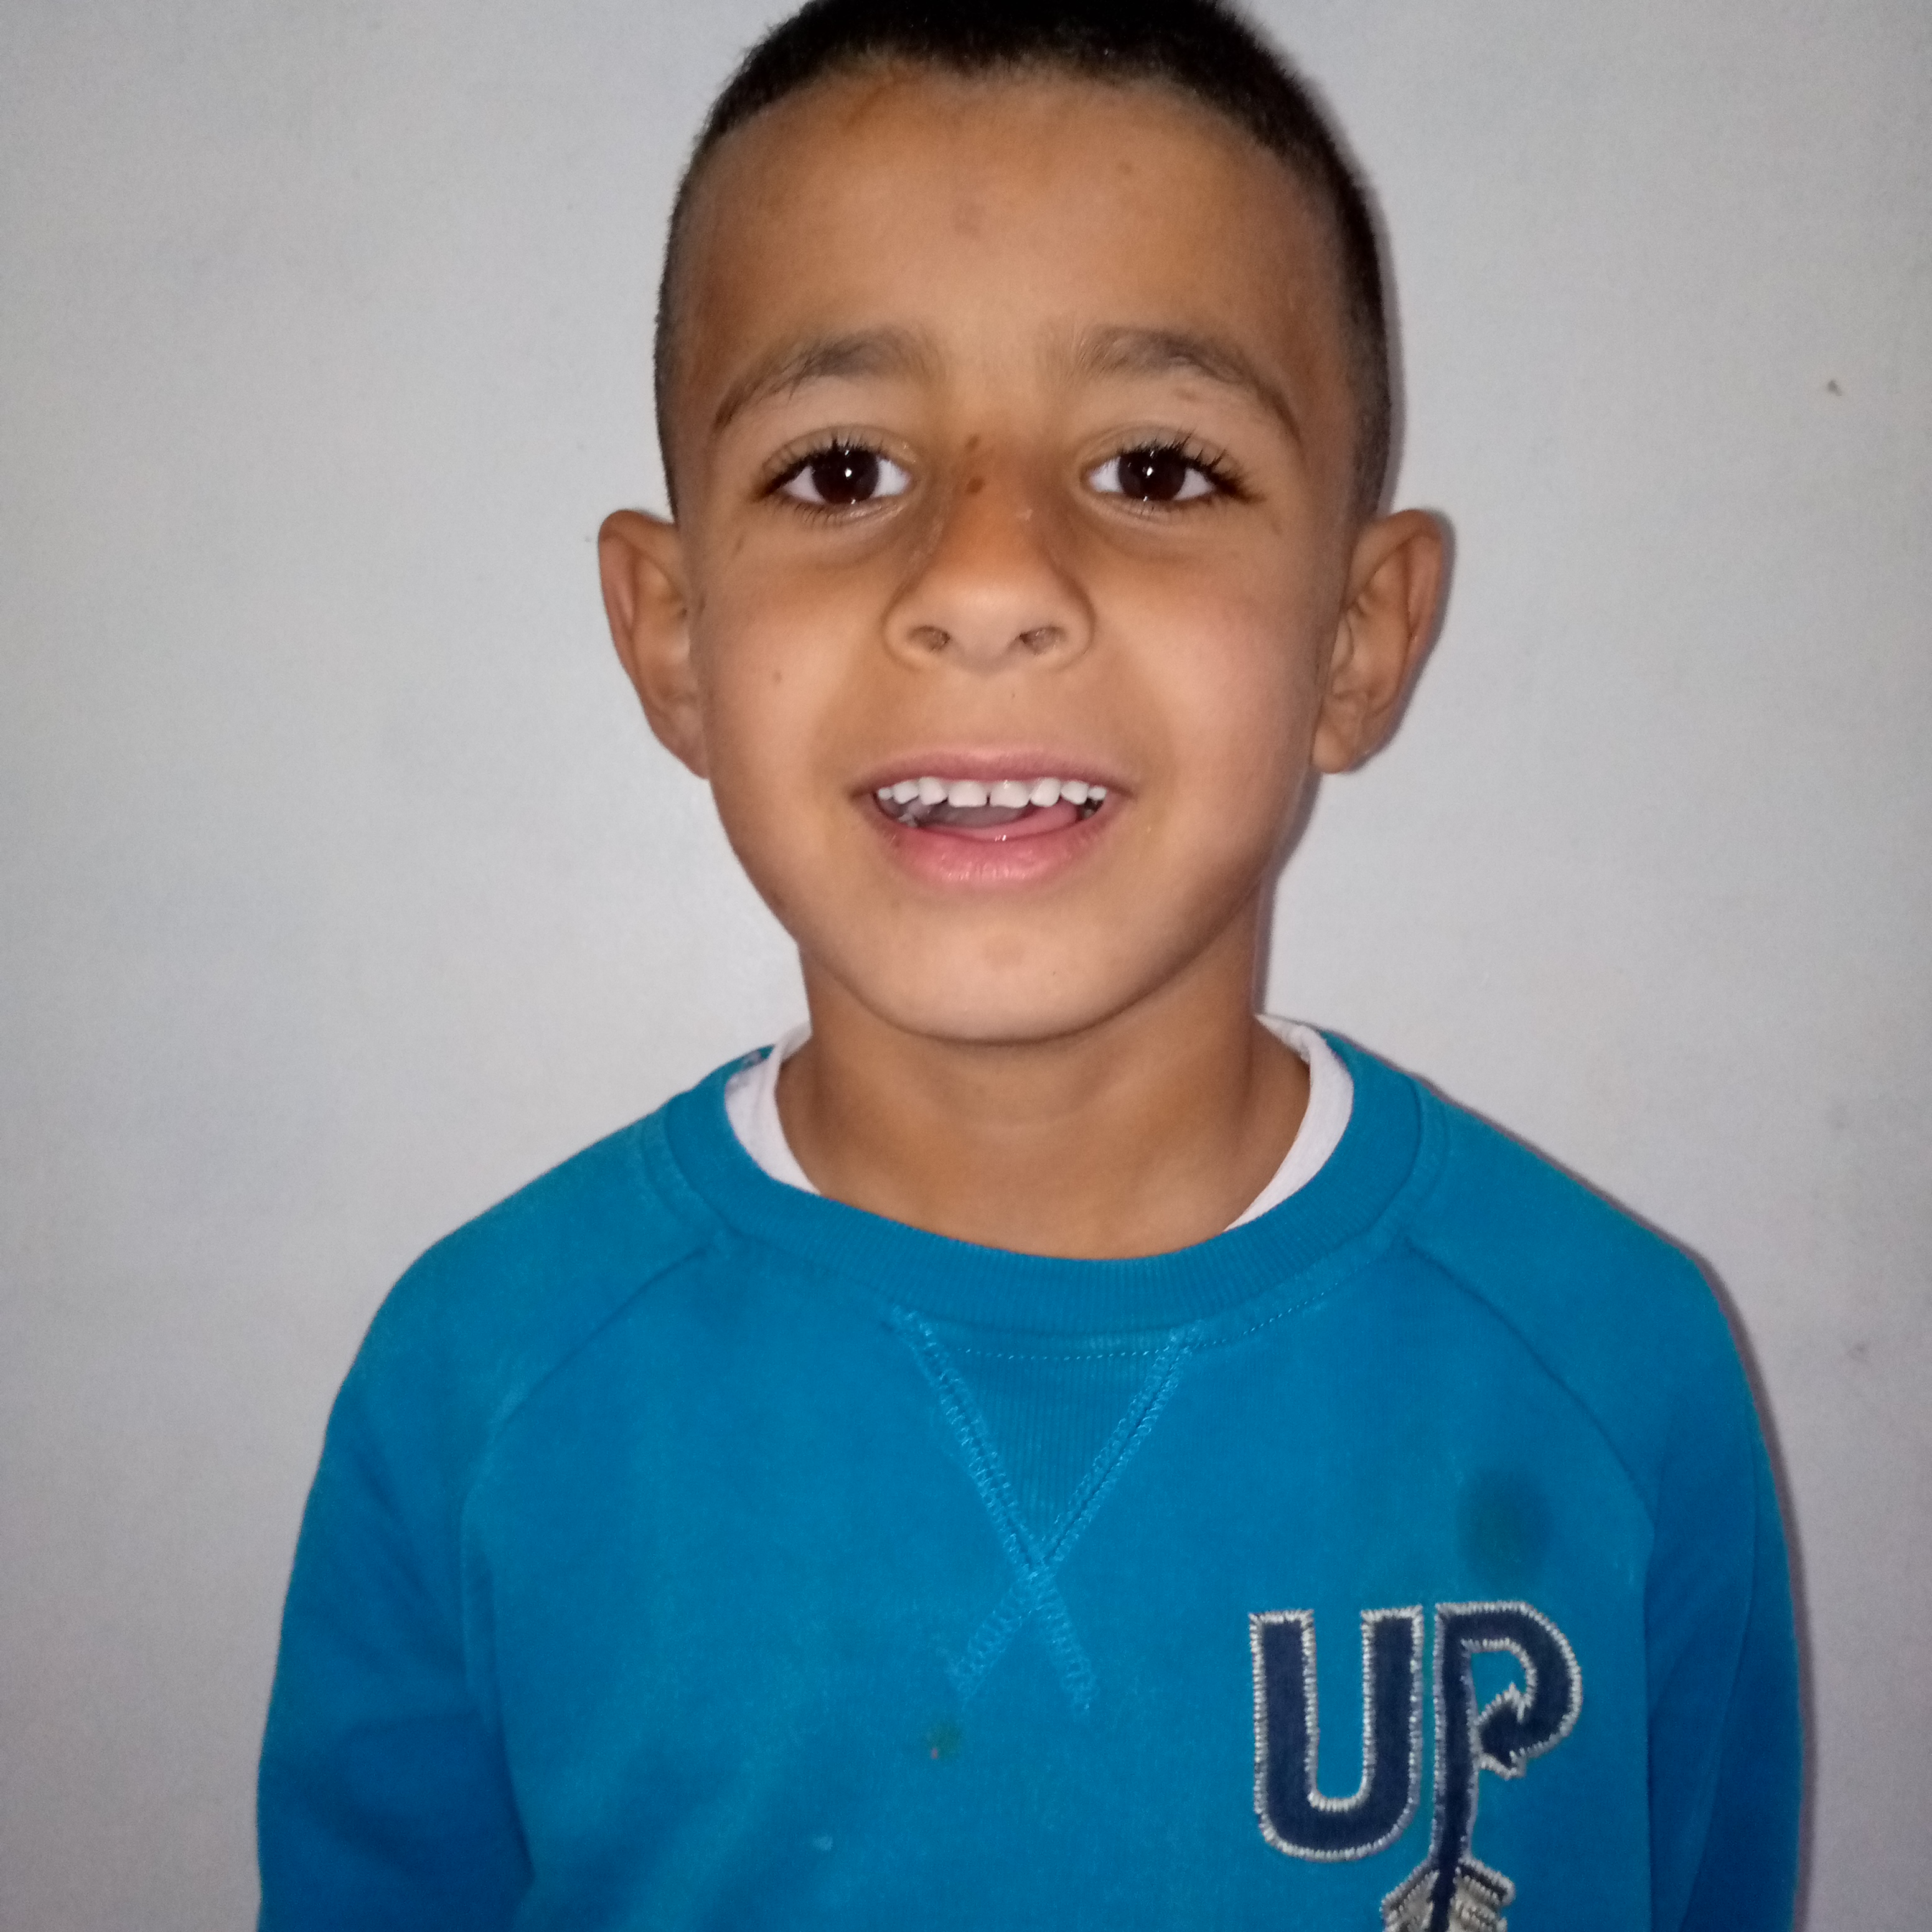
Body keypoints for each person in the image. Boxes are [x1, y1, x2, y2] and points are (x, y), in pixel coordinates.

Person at [256, 2, 1801, 1926]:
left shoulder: (1617, 1372)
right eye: (842, 473)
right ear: (671, 639)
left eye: (1158, 468)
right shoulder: (477, 1395)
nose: (987, 582)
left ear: (1359, 637)